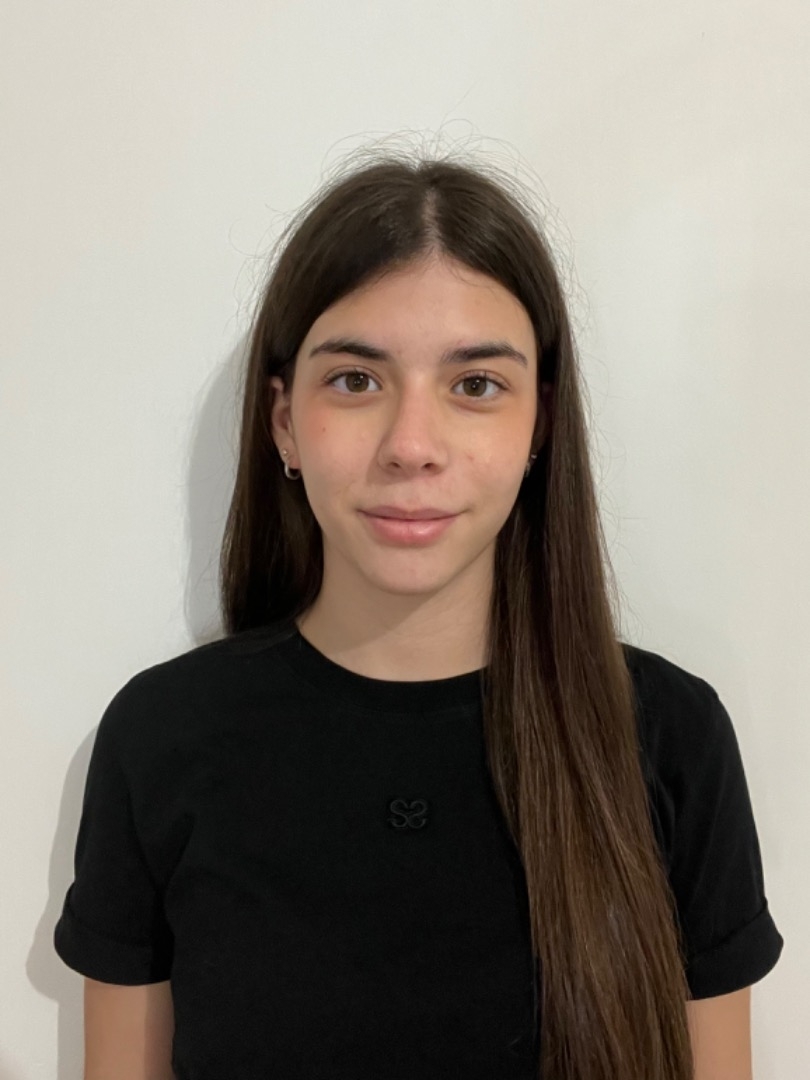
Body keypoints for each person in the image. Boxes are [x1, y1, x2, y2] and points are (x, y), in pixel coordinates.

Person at [53, 151, 784, 1080]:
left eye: (475, 385)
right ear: (283, 423)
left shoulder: (671, 738)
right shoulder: (162, 738)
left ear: (539, 426)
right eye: (356, 380)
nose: (411, 446)